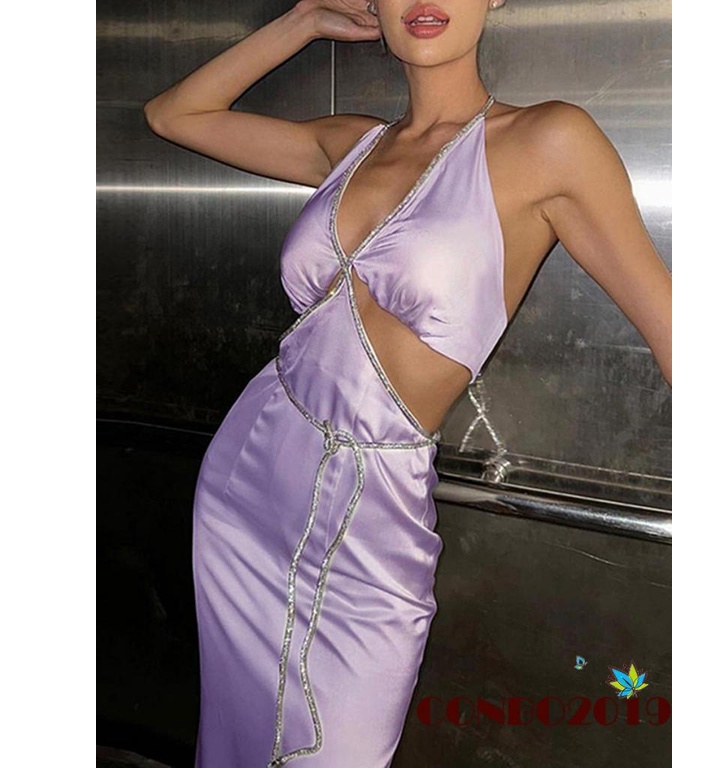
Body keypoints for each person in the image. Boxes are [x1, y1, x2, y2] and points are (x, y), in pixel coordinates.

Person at [144, 1, 672, 766]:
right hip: (248, 484)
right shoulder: (350, 144)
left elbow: (673, 329)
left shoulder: (548, 142)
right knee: (234, 740)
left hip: (375, 512)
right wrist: (302, 22)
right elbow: (173, 115)